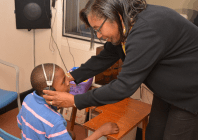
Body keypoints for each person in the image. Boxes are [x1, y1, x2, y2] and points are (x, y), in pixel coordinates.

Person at [43, 0, 198, 140]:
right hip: (167, 90)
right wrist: (71, 76)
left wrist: (76, 100)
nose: (99, 35)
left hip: (190, 93)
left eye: (98, 28)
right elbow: (105, 57)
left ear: (115, 14)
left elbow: (123, 87)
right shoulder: (124, 24)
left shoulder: (146, 30)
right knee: (154, 134)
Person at [17, 63, 119, 140]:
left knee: (71, 134)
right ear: (50, 90)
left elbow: (20, 124)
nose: (68, 82)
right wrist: (100, 132)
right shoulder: (55, 121)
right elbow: (51, 122)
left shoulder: (28, 98)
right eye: (63, 81)